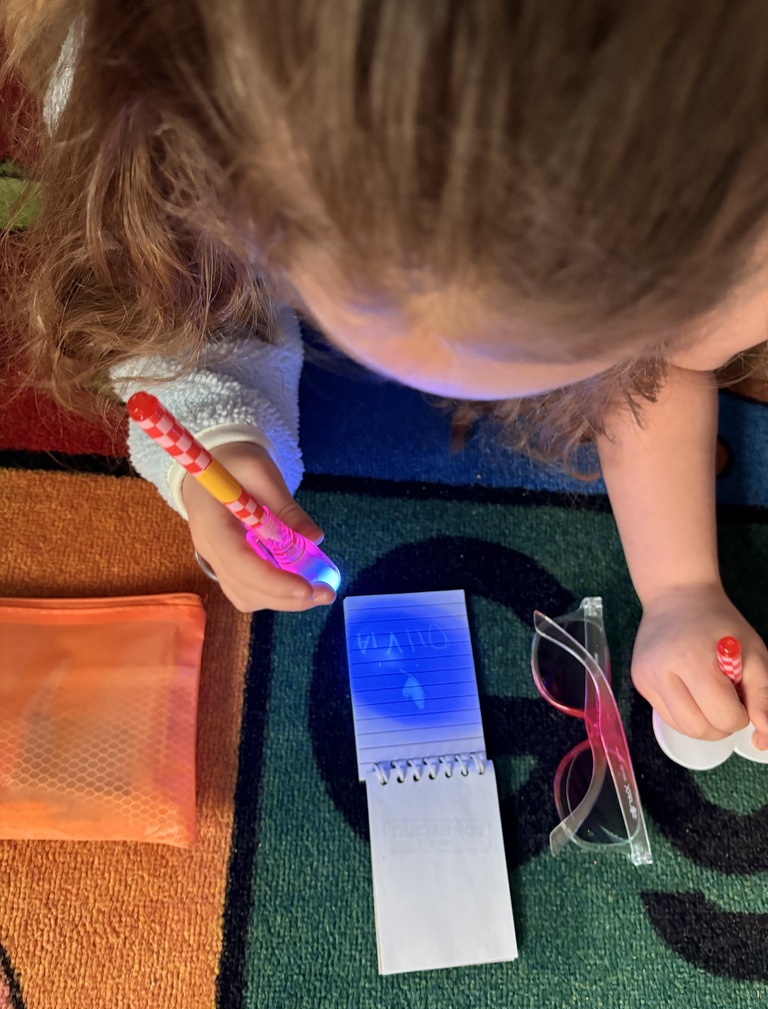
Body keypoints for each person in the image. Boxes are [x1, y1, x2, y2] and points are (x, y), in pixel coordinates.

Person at [3, 0, 768, 750]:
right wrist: (222, 431)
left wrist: (682, 587)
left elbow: (657, 365)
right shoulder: (157, 118)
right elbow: (171, 317)